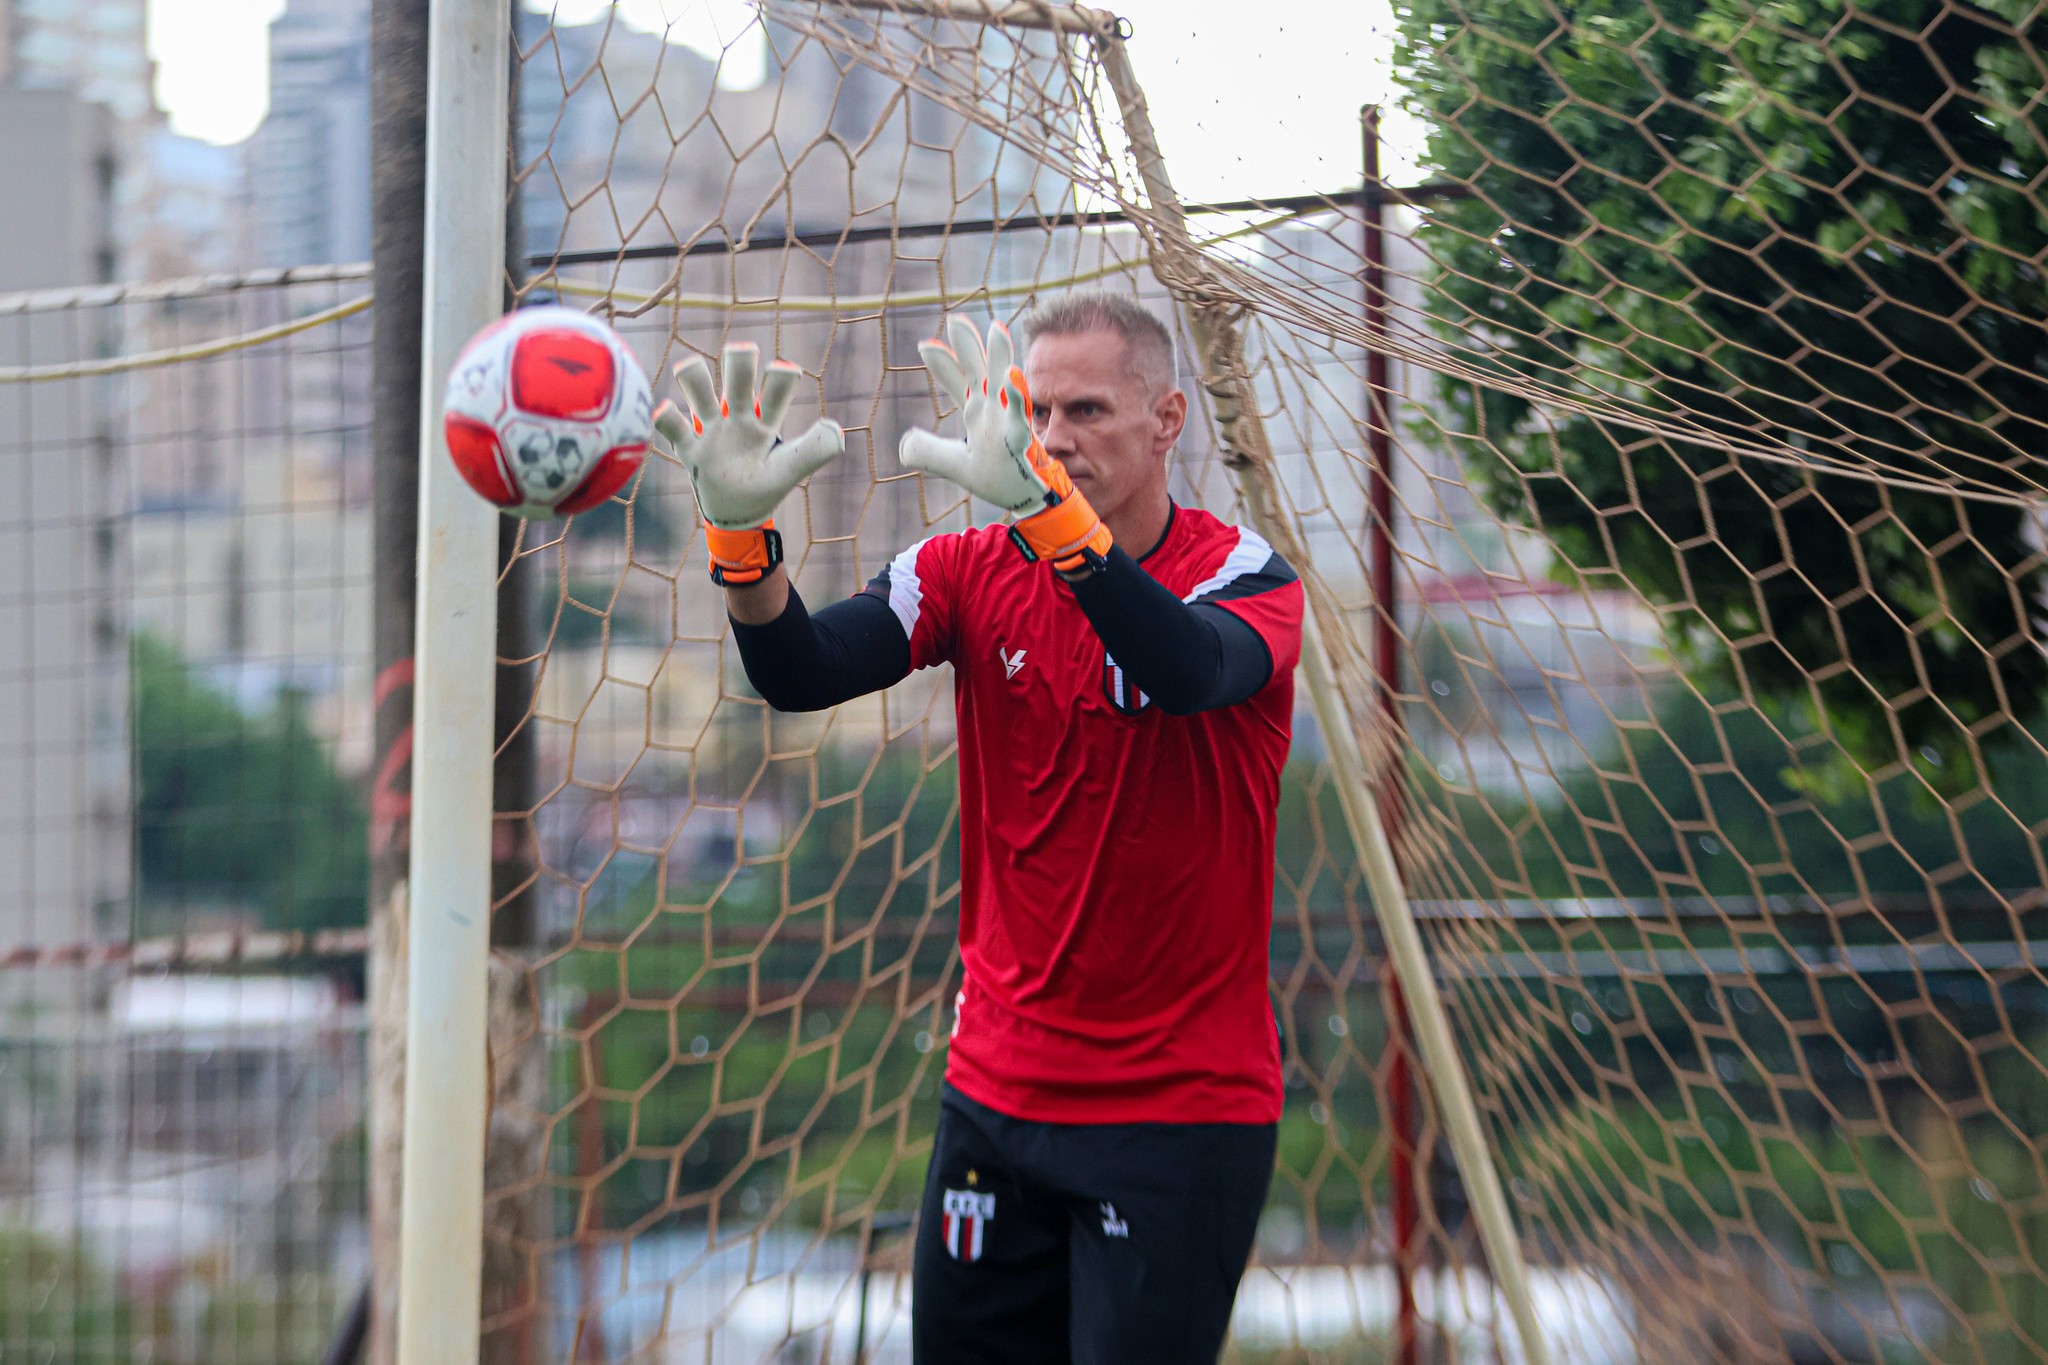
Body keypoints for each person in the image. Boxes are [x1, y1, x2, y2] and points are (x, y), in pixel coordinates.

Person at [652, 291, 1303, 1363]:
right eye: (1032, 412)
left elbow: (1185, 672)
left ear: (1167, 420)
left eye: (1085, 411)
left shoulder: (1240, 575)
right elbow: (800, 671)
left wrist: (1059, 531)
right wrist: (739, 541)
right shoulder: (960, 572)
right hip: (993, 1100)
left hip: (1176, 1115)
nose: (1050, 441)